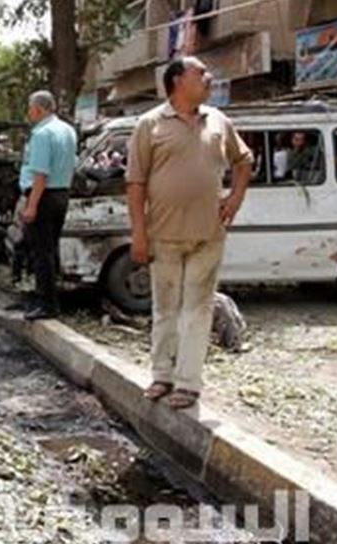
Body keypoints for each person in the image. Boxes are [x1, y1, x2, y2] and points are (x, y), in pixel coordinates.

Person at [126, 57, 253, 411]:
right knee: (166, 309)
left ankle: (188, 384)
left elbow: (244, 161)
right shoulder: (149, 124)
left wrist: (236, 198)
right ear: (178, 81)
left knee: (197, 310)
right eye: (201, 73)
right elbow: (135, 184)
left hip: (208, 234)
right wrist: (138, 233)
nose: (209, 78)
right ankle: (162, 375)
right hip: (163, 234)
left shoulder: (219, 121)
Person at [20, 90, 78, 321]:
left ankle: (47, 304)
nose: (29, 112)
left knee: (41, 252)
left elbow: (41, 174)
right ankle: (49, 296)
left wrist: (32, 205)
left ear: (39, 109)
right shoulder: (68, 130)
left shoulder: (42, 134)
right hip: (62, 193)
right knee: (51, 249)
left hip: (43, 196)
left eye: (30, 108)